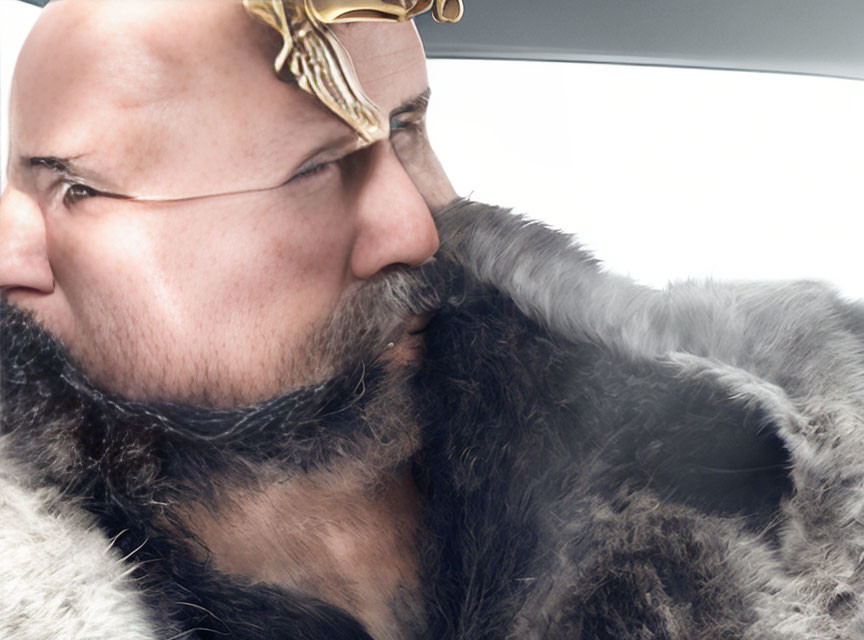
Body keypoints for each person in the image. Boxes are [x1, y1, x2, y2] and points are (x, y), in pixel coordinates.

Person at [3, 1, 864, 639]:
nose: (419, 228)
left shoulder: (784, 442)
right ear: (40, 237)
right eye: (314, 169)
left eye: (408, 126)